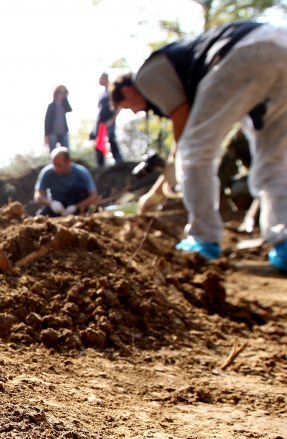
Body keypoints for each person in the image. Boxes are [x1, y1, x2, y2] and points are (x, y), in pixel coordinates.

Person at [111, 21, 287, 272]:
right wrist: (162, 185)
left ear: (128, 91)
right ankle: (285, 244)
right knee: (274, 162)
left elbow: (185, 135)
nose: (136, 111)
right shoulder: (176, 70)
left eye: (129, 106)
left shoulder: (146, 76)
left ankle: (203, 239)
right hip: (281, 44)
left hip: (245, 53)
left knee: (195, 153)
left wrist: (160, 189)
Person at [34, 147, 99, 216]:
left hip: (78, 206)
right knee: (41, 216)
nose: (55, 169)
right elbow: (38, 196)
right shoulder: (47, 173)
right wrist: (51, 204)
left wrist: (75, 207)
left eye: (59, 165)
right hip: (58, 206)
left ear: (68, 162)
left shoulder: (81, 172)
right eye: (54, 165)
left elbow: (94, 196)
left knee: (78, 187)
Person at [92, 72, 123, 166]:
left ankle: (118, 160)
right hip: (100, 120)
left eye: (101, 78)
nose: (99, 80)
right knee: (99, 142)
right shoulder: (102, 94)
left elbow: (119, 106)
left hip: (109, 120)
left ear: (105, 78)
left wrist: (112, 119)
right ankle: (100, 164)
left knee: (111, 137)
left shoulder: (112, 90)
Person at [44, 85, 71, 152]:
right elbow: (47, 121)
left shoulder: (64, 105)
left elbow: (69, 109)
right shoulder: (51, 106)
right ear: (56, 93)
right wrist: (46, 135)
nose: (61, 94)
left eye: (63, 93)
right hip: (52, 133)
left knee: (66, 152)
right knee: (53, 152)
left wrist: (65, 98)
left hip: (63, 132)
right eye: (60, 92)